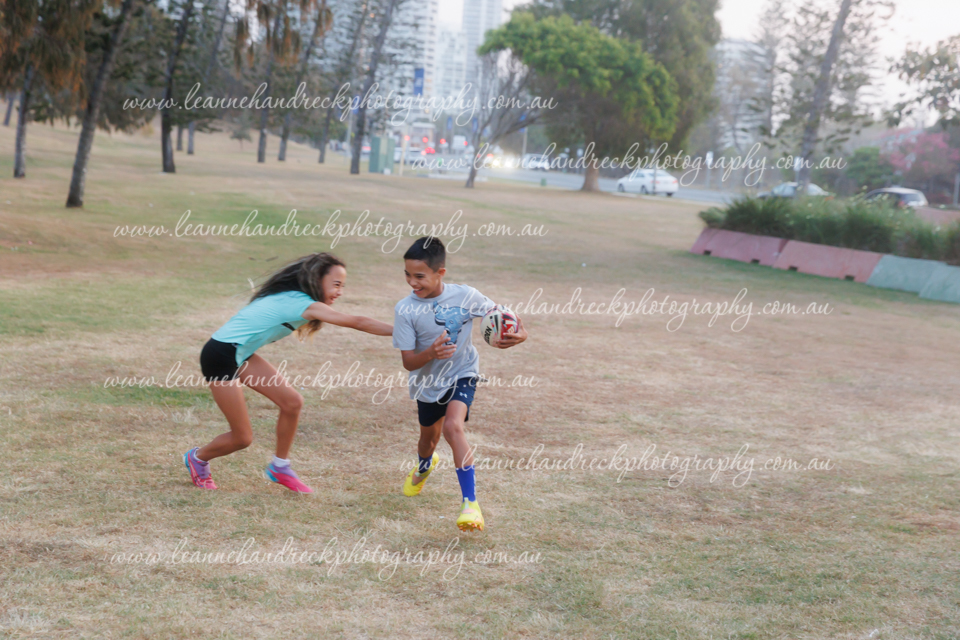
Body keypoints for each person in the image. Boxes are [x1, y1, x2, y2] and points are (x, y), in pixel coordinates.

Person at [184, 252, 392, 493]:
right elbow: (357, 321)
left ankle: (280, 467)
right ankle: (197, 458)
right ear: (317, 279)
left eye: (342, 286)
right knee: (242, 438)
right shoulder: (303, 303)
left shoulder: (295, 298)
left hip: (240, 353)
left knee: (292, 402)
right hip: (220, 356)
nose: (340, 292)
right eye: (336, 284)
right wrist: (405, 331)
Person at [393, 237, 528, 531]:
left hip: (463, 372)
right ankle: (425, 466)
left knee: (453, 427)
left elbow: (503, 315)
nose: (412, 282)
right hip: (428, 382)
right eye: (407, 274)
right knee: (428, 440)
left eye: (419, 276)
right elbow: (409, 362)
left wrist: (522, 334)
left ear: (440, 272)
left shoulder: (466, 296)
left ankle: (470, 505)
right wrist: (431, 353)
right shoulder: (405, 309)